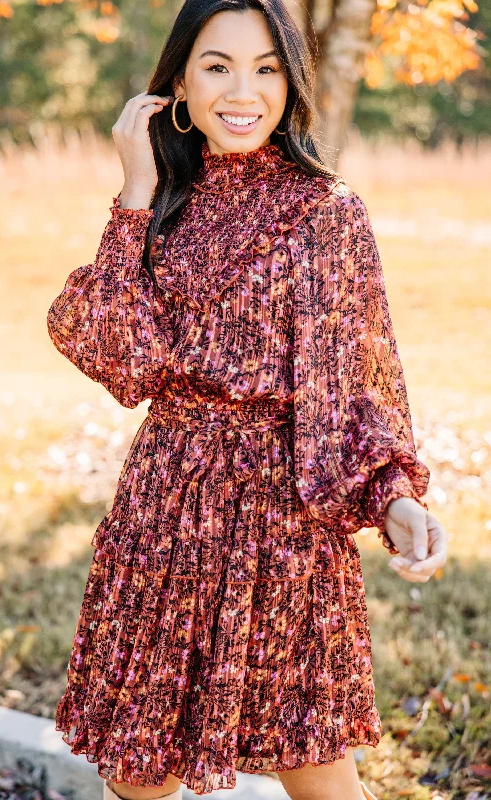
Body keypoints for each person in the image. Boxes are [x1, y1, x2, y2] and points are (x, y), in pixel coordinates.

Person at [47, 1, 448, 798]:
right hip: (166, 513)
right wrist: (132, 192)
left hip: (287, 521)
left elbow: (352, 389)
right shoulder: (159, 204)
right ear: (180, 88)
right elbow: (118, 357)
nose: (244, 90)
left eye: (266, 67)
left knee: (316, 767)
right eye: (217, 65)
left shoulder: (326, 212)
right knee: (140, 769)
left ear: (291, 83)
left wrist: (393, 498)